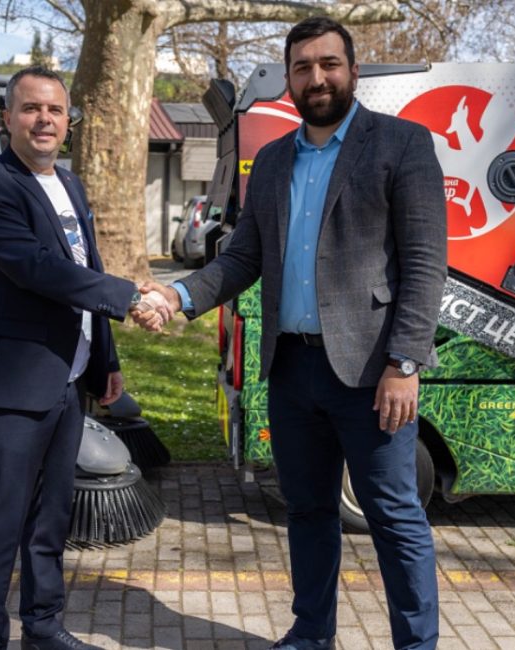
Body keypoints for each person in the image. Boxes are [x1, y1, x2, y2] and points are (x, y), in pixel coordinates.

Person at [135, 17, 446, 650]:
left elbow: (424, 263)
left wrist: (405, 363)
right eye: (303, 67)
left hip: (372, 374)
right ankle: (311, 633)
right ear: (289, 79)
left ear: (352, 71)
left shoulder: (401, 144)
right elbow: (242, 257)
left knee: (394, 517)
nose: (317, 77)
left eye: (329, 64)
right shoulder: (274, 159)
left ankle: (416, 644)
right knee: (307, 510)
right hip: (292, 371)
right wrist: (177, 295)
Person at [0, 66, 164, 650]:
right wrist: (130, 297)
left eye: (55, 110)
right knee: (4, 522)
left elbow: (86, 267)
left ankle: (43, 626)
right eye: (31, 108)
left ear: (68, 120)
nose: (44, 119)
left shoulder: (69, 184)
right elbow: (37, 269)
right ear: (8, 118)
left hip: (70, 378)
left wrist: (105, 361)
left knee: (52, 518)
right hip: (16, 384)